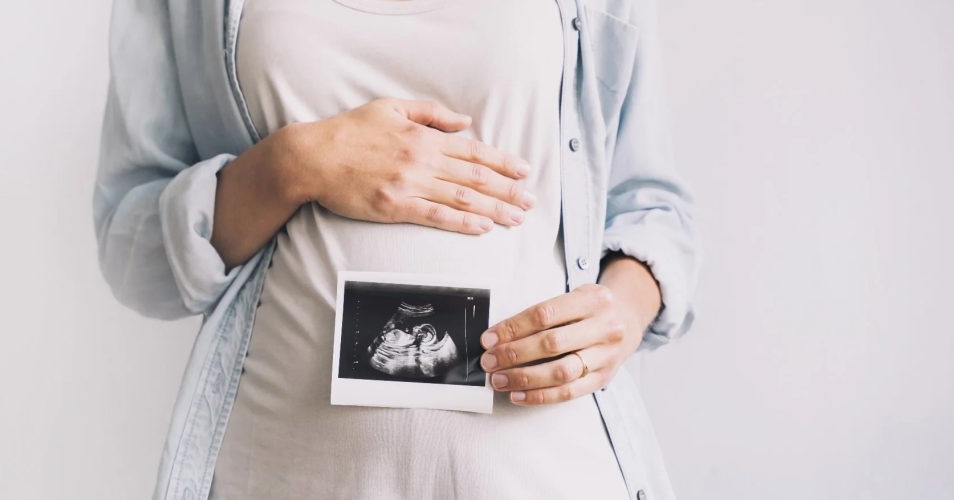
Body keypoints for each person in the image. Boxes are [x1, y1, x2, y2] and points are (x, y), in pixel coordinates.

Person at [93, 0, 700, 499]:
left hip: (547, 468)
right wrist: (292, 165)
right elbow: (133, 250)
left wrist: (623, 308)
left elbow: (650, 203)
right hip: (282, 470)